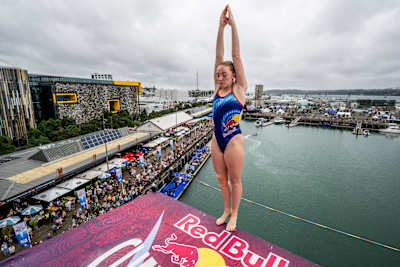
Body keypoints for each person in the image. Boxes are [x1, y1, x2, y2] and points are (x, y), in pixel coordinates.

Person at [212, 5, 247, 231]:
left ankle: (234, 214)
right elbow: (218, 56)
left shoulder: (240, 89)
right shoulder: (217, 89)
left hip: (233, 139)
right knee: (220, 178)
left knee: (234, 180)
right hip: (217, 139)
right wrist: (219, 27)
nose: (220, 75)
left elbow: (234, 55)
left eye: (224, 73)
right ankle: (225, 209)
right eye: (218, 74)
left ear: (233, 75)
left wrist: (232, 25)